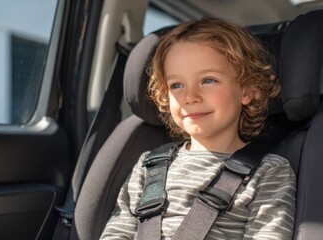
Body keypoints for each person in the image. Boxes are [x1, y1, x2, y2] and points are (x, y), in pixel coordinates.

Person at [100, 17, 295, 240]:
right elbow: (118, 232)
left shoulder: (269, 172)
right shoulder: (150, 165)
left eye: (208, 80)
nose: (190, 97)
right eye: (177, 85)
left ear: (246, 90)